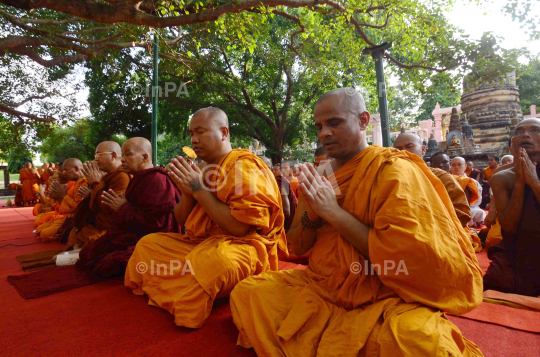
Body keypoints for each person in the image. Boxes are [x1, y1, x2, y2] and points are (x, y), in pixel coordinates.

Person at [230, 88, 483, 357]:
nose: (323, 133)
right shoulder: (321, 174)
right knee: (249, 292)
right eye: (319, 126)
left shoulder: (393, 169)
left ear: (363, 121)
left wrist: (333, 213)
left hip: (383, 295)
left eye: (334, 122)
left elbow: (403, 257)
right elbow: (297, 246)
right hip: (322, 286)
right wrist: (312, 213)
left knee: (420, 343)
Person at [125, 107, 286, 328]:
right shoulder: (200, 168)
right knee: (148, 244)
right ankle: (187, 286)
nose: (194, 139)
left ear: (224, 133)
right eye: (191, 134)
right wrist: (190, 192)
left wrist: (199, 189)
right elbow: (181, 220)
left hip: (243, 248)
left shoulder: (244, 165)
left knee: (214, 262)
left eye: (200, 132)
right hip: (203, 244)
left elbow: (240, 229)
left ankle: (182, 289)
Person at [76, 138, 182, 279]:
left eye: (128, 155)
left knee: (106, 265)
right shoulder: (139, 178)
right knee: (87, 253)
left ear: (144, 157)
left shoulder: (156, 180)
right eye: (122, 155)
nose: (123, 159)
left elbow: (158, 223)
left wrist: (123, 207)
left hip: (151, 239)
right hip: (131, 232)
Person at [483, 119, 540, 296]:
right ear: (512, 145)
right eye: (519, 132)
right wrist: (519, 185)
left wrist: (535, 183)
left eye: (534, 130)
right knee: (496, 280)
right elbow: (508, 227)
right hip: (519, 250)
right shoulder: (502, 178)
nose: (525, 134)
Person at [66, 141, 131, 249]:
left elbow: (110, 209)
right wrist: (92, 192)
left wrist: (95, 184)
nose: (96, 158)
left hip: (109, 227)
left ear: (113, 155)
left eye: (99, 154)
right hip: (97, 224)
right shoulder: (108, 176)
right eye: (95, 155)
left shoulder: (121, 177)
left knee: (91, 241)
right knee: (75, 232)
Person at [34, 159, 87, 241]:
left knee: (44, 234)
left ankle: (65, 234)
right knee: (39, 229)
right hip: (65, 216)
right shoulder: (74, 183)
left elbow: (78, 207)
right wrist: (57, 197)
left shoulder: (84, 183)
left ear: (76, 168)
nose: (64, 173)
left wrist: (63, 196)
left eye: (65, 170)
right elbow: (58, 204)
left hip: (72, 218)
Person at [451, 157, 485, 228]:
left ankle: (470, 222)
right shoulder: (447, 180)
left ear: (465, 166)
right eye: (453, 165)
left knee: (478, 212)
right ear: (450, 166)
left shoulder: (472, 181)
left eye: (459, 165)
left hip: (470, 207)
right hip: (451, 207)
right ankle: (471, 223)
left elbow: (477, 200)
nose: (456, 167)